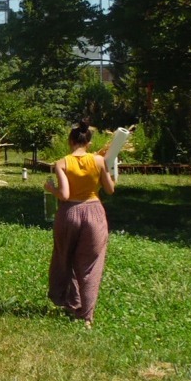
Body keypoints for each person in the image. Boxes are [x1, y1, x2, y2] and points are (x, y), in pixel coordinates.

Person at [44, 120, 116, 329]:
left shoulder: (62, 163)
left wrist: (50, 188)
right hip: (94, 213)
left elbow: (65, 195)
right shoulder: (99, 161)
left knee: (64, 258)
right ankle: (86, 316)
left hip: (69, 214)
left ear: (70, 141)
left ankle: (67, 301)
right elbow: (110, 190)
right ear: (89, 143)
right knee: (89, 265)